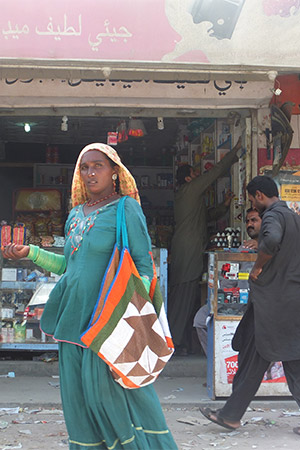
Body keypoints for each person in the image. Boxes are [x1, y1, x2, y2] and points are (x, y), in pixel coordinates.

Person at [2, 143, 178, 450]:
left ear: (114, 172)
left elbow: (143, 263)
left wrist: (132, 309)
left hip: (109, 321)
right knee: (79, 403)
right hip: (73, 320)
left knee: (111, 397)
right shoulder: (75, 215)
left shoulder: (126, 209)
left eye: (98, 166)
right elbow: (69, 266)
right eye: (84, 167)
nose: (90, 173)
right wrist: (31, 252)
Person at [199, 176, 300, 437]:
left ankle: (230, 415)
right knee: (274, 361)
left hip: (272, 305)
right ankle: (230, 415)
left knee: (271, 361)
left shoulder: (273, 216)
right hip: (287, 303)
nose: (253, 204)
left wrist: (258, 266)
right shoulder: (294, 217)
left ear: (259, 195)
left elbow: (272, 240)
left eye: (253, 199)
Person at [168, 136, 242, 356]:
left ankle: (177, 340)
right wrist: (234, 151)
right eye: (195, 174)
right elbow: (215, 173)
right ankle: (173, 342)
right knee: (183, 297)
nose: (198, 177)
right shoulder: (190, 189)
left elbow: (205, 217)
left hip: (188, 248)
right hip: (188, 249)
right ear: (189, 178)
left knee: (186, 296)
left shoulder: (186, 196)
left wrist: (225, 206)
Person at [193, 207, 262, 356]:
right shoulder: (241, 249)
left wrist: (262, 245)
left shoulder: (271, 247)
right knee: (200, 319)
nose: (250, 224)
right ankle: (216, 368)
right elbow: (228, 280)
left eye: (254, 220)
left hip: (259, 304)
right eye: (248, 221)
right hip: (236, 302)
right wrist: (223, 296)